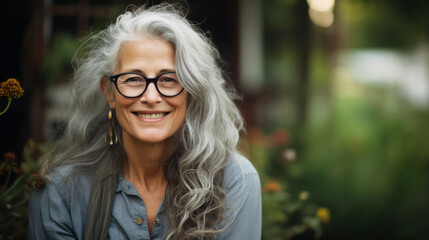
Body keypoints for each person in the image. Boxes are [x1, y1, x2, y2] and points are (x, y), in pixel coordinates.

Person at [28, 3, 261, 240]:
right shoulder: (61, 192)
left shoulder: (234, 180)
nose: (151, 97)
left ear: (191, 92)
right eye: (133, 79)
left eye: (169, 79)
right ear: (109, 92)